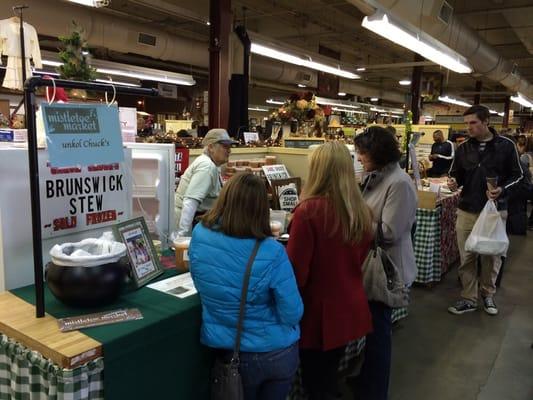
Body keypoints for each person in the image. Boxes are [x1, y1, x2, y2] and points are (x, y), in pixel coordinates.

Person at [189, 173, 303, 400]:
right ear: (262, 207)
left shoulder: (200, 235)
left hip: (228, 350)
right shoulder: (272, 252)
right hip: (274, 352)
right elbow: (292, 312)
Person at [287, 142, 374, 400]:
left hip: (317, 315)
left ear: (318, 170)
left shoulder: (308, 211)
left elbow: (296, 273)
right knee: (328, 377)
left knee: (317, 383)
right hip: (349, 307)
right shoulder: (361, 210)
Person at [352, 126, 418, 400]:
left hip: (387, 269)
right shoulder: (378, 177)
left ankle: (375, 391)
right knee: (372, 332)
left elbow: (389, 232)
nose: (360, 159)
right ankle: (367, 380)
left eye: (363, 154)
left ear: (377, 154)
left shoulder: (399, 183)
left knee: (379, 336)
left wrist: (355, 218)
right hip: (374, 265)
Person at [447, 105, 523, 316]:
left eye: (473, 123)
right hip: (467, 209)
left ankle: (488, 294)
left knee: (491, 256)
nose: (468, 128)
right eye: (466, 123)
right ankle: (468, 298)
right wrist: (453, 183)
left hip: (494, 211)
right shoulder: (463, 148)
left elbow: (519, 176)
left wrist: (502, 190)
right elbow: (455, 174)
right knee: (467, 256)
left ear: (486, 121)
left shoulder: (506, 146)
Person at [174, 129, 235, 236]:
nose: (229, 151)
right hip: (189, 222)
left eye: (230, 147)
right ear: (211, 147)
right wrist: (182, 235)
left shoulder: (211, 164)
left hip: (194, 219)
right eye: (225, 146)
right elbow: (190, 202)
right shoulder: (207, 166)